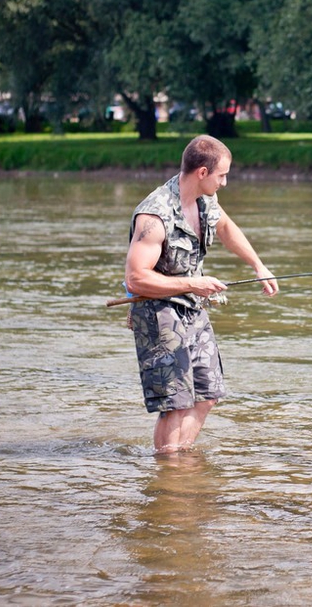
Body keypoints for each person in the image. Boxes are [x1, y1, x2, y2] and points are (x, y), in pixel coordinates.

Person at [124, 135, 279, 454]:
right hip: (156, 314)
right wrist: (194, 284)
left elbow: (225, 228)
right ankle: (168, 471)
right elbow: (136, 278)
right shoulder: (154, 216)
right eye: (222, 175)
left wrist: (257, 265)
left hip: (192, 308)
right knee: (176, 404)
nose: (225, 182)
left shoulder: (205, 200)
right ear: (203, 173)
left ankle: (177, 459)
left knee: (207, 393)